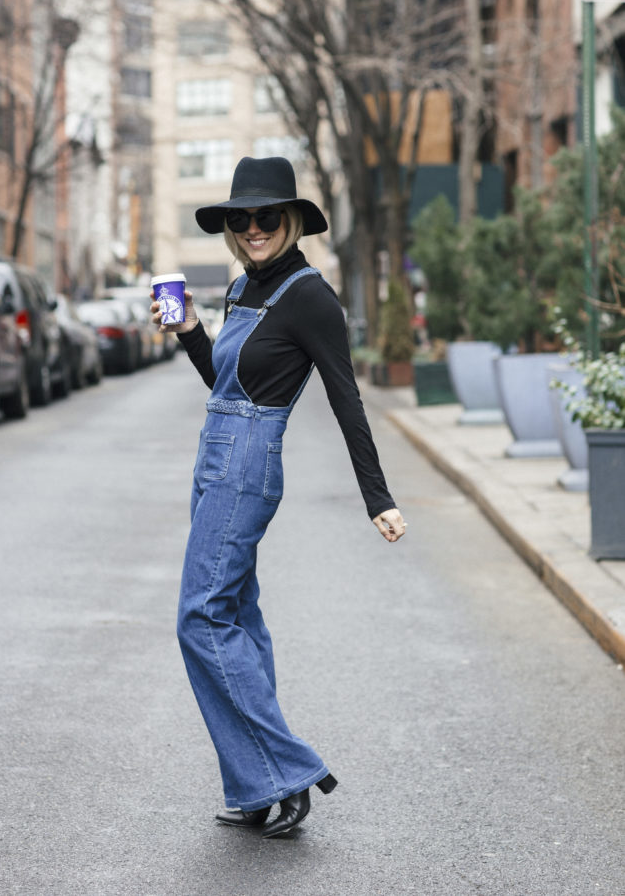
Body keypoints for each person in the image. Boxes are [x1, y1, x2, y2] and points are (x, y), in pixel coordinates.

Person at [151, 156, 406, 838]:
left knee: (201, 617)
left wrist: (376, 497)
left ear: (291, 221)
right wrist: (189, 334)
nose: (254, 228)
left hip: (247, 460)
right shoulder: (242, 288)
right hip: (216, 450)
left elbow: (345, 397)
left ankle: (287, 773)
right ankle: (256, 786)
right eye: (242, 219)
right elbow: (225, 381)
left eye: (267, 217)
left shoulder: (308, 295)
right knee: (234, 611)